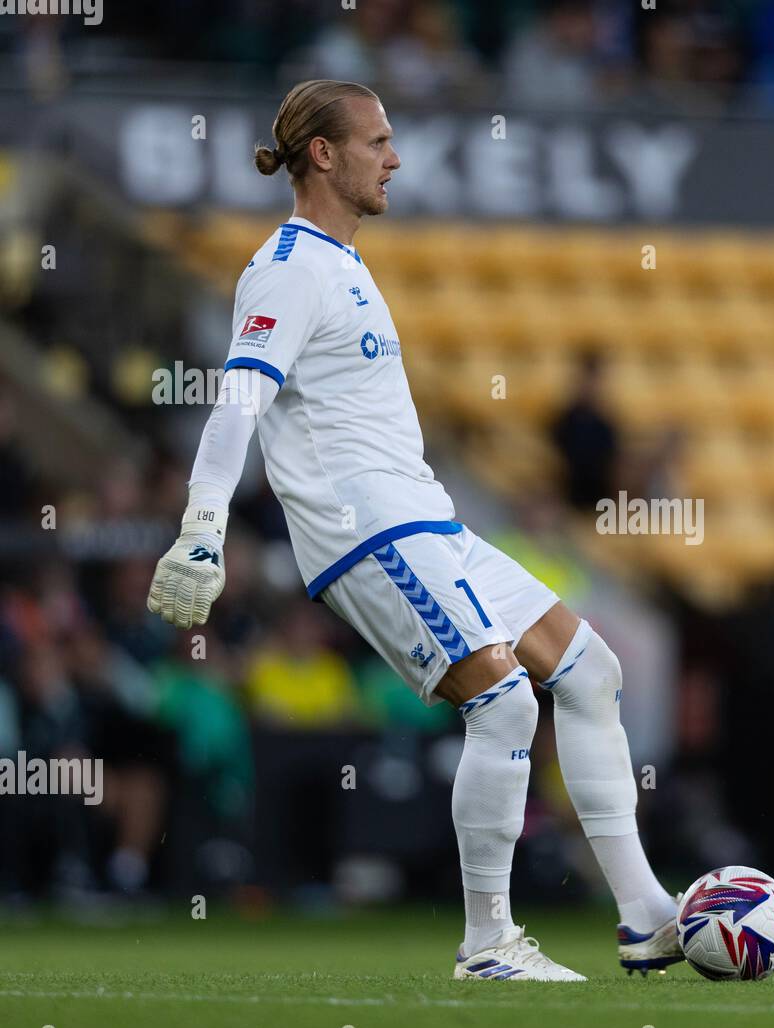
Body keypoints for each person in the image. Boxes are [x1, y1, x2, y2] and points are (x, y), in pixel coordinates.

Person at [145, 79, 680, 981]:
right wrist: (201, 527)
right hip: (365, 532)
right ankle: (488, 943)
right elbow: (238, 396)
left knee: (592, 671)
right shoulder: (290, 267)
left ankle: (647, 916)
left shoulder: (343, 262)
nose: (395, 158)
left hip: (428, 517)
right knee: (504, 700)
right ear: (325, 153)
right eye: (379, 141)